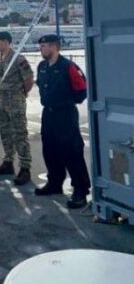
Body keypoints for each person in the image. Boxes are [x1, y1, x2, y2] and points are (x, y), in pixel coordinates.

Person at [34, 34, 90, 209]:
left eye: (44, 46)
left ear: (54, 47)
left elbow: (81, 90)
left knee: (71, 152)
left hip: (65, 114)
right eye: (41, 46)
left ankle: (80, 190)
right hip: (48, 114)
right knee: (50, 150)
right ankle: (55, 183)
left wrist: (66, 100)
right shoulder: (42, 66)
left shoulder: (68, 66)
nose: (41, 49)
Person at [0, 31, 34, 185]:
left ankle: (25, 168)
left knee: (20, 134)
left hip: (15, 102)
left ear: (5, 42)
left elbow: (29, 78)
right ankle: (8, 162)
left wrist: (22, 94)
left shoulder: (18, 59)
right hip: (2, 101)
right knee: (5, 133)